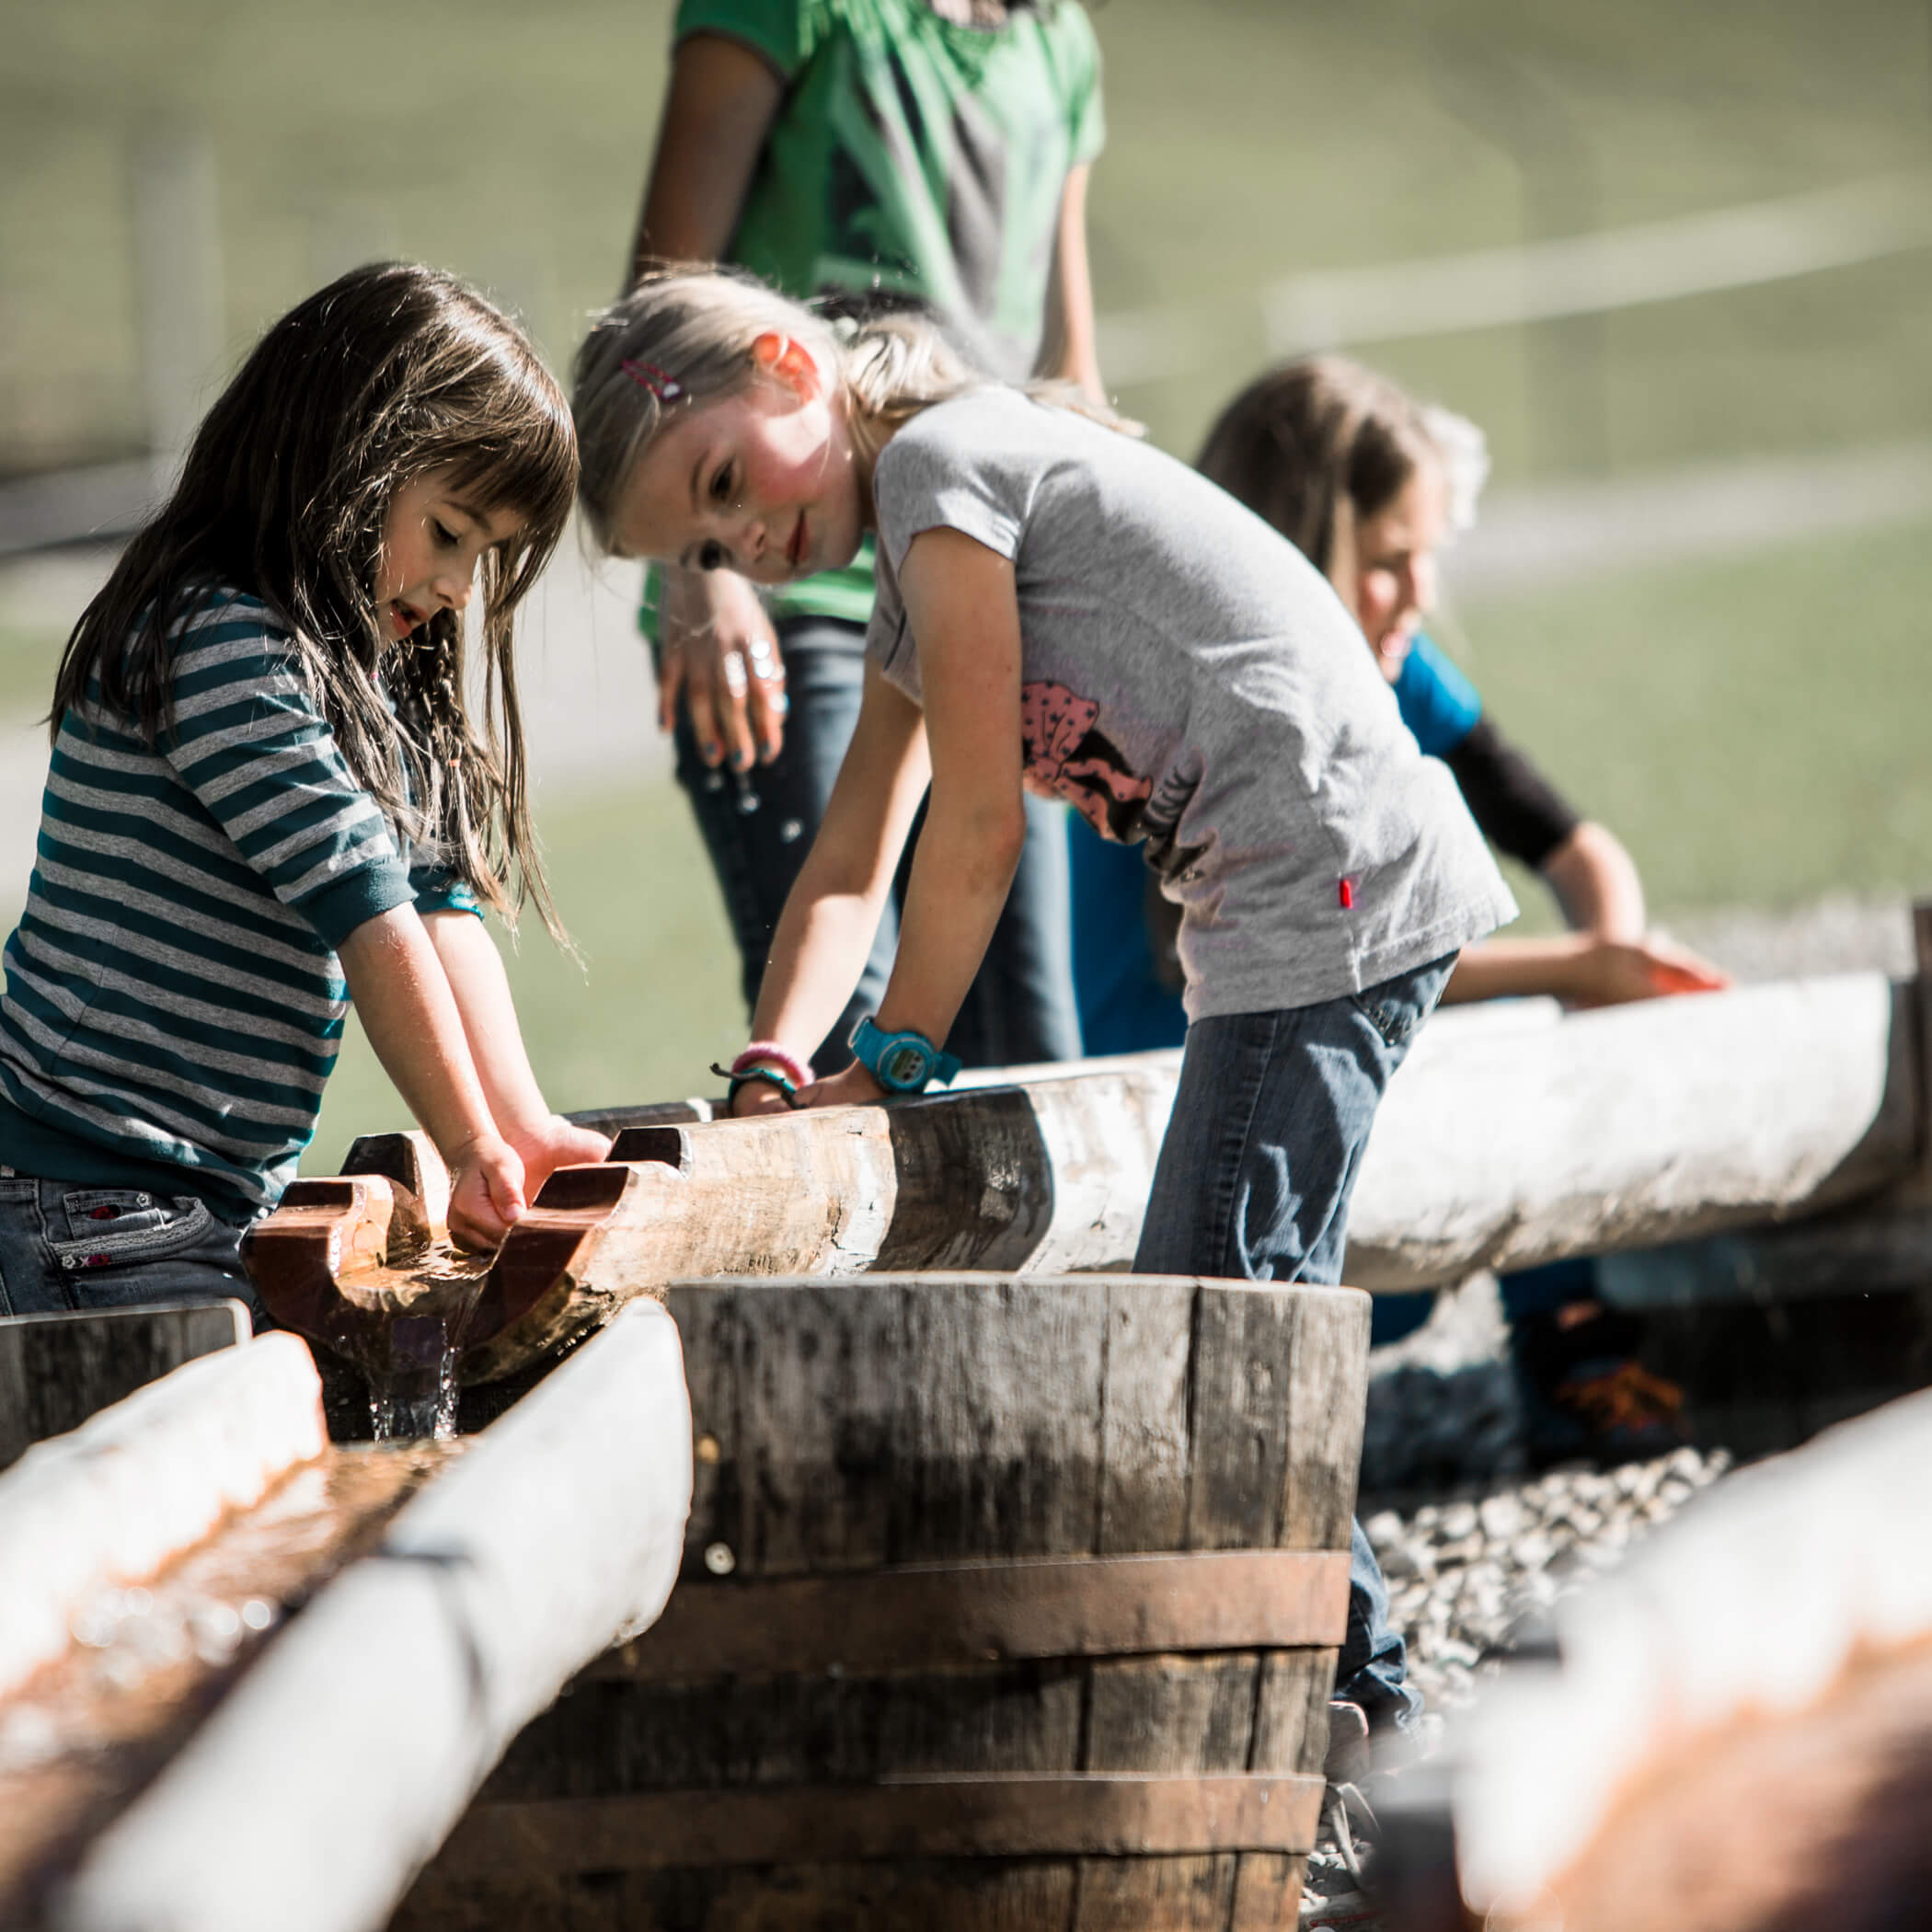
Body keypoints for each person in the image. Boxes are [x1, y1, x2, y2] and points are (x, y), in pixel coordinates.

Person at [570, 268, 1519, 1731]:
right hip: (1295, 896)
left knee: (1222, 1313)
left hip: (1325, 880)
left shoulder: (951, 469)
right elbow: (845, 858)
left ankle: (1368, 1712)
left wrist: (892, 1059)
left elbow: (977, 830)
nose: (750, 542)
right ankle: (1341, 1692)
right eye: (708, 544)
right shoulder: (912, 551)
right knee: (1232, 1297)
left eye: (724, 483)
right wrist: (773, 1062)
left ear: (788, 364)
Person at [1071, 354, 1731, 1462]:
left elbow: (1563, 835)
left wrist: (1613, 944)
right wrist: (1579, 971)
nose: (1420, 593)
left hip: (1326, 1025)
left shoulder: (1396, 663)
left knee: (1508, 1006)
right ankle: (1569, 1344)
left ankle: (1572, 1338)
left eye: (1429, 554)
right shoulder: (1218, 690)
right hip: (1189, 1066)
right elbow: (1314, 962)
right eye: (1389, 560)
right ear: (1297, 541)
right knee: (1496, 1014)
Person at [0, 263, 611, 1320]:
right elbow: (368, 911)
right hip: (80, 1191)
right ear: (347, 461)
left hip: (188, 1198)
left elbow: (435, 903)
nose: (462, 587)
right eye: (452, 533)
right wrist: (463, 1144)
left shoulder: (363, 672)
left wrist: (516, 1124)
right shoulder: (217, 640)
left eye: (490, 556)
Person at [623, 0, 1105, 1073]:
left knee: (1026, 1044)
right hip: (791, 599)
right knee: (852, 1031)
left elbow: (1069, 356)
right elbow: (665, 296)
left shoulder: (1057, 38)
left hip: (984, 582)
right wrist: (702, 575)